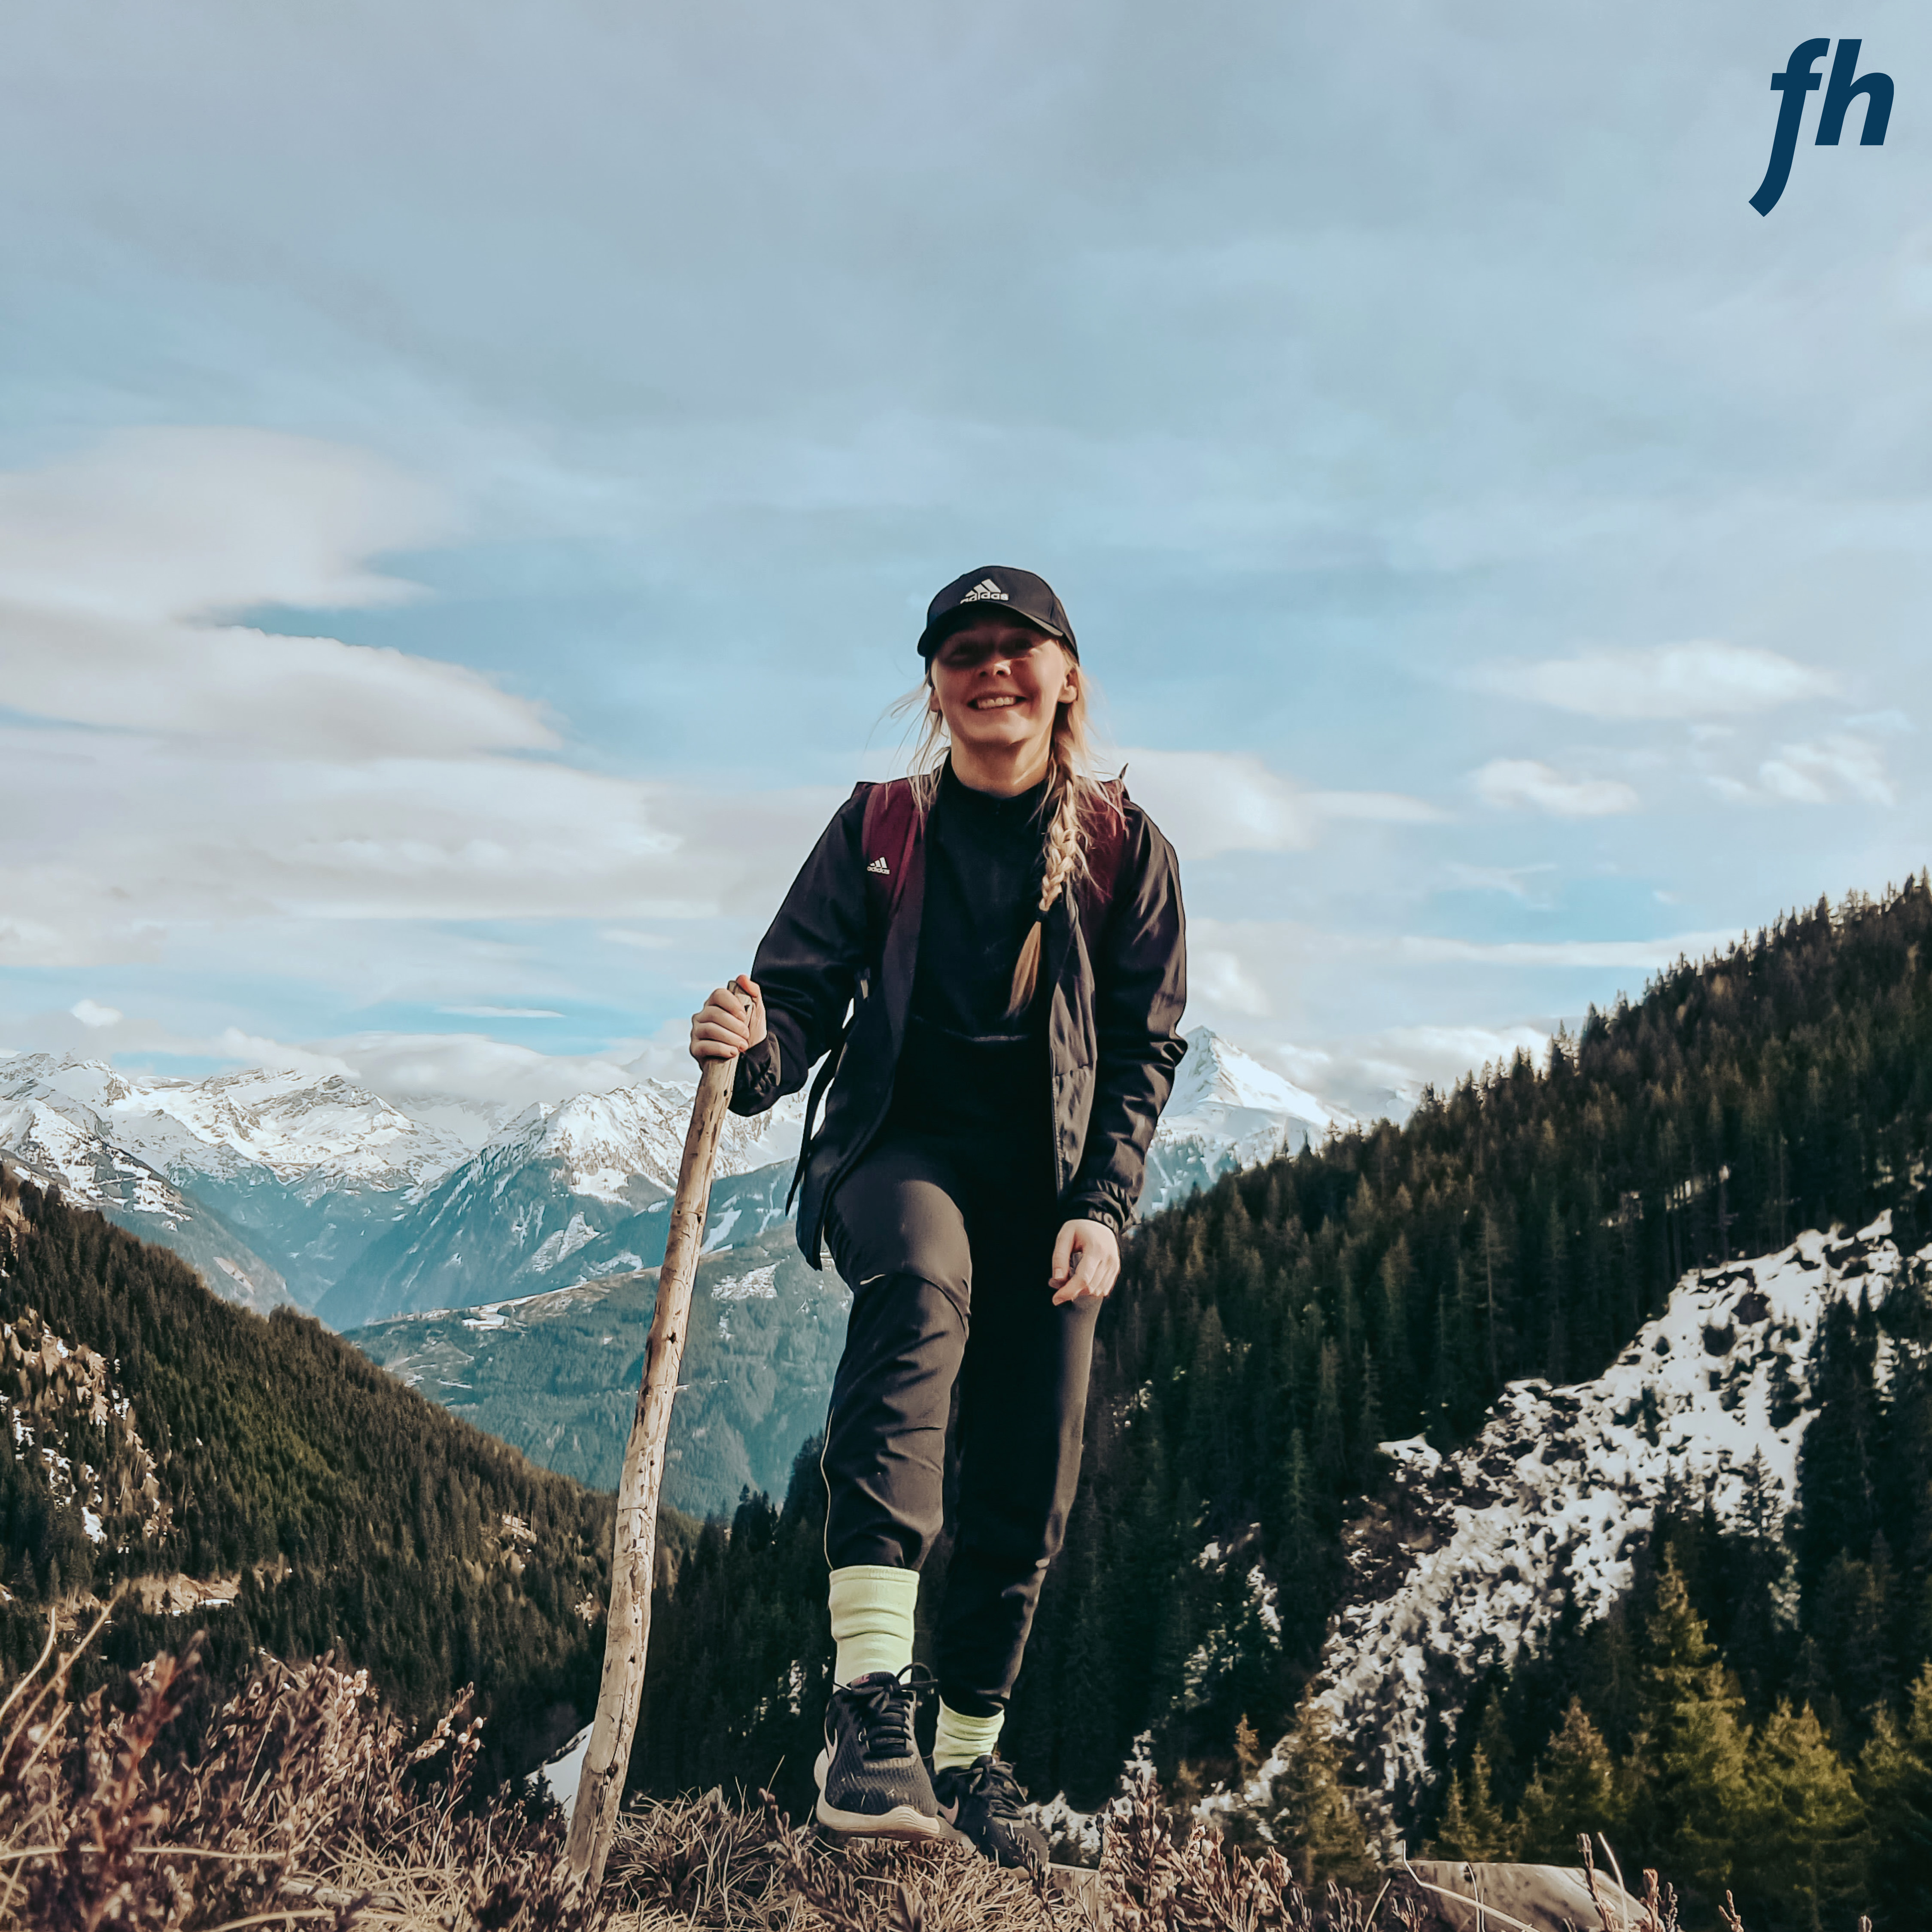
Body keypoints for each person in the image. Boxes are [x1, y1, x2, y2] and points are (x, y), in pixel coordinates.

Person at [689, 565, 1187, 1868]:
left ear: (1065, 678)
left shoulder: (1127, 851)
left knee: (1033, 1465)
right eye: (961, 649)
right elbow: (798, 1001)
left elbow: (1144, 1046)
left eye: (1017, 648)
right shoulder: (878, 828)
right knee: (918, 1288)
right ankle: (867, 1710)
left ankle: (964, 1764)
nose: (990, 668)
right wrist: (750, 1050)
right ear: (935, 684)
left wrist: (1104, 1208)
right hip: (896, 1151)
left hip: (1053, 1184)